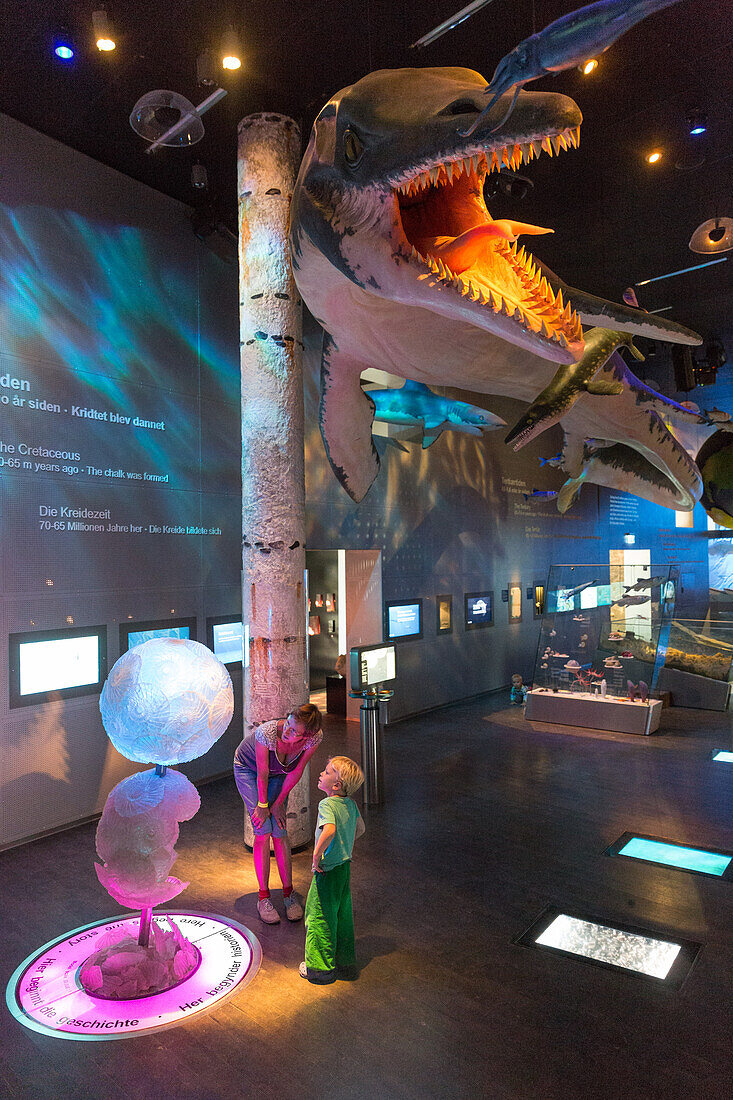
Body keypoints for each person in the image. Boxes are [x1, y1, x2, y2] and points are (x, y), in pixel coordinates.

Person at [234, 703, 323, 924]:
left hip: (279, 774)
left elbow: (297, 771)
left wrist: (279, 802)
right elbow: (262, 772)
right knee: (263, 830)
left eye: (295, 731)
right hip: (249, 770)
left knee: (280, 829)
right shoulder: (267, 733)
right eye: (289, 724)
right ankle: (263, 897)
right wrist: (263, 805)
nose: (287, 731)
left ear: (306, 736)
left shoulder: (314, 738)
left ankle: (288, 893)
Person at [299, 755, 365, 984]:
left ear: (336, 786)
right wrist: (345, 845)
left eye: (326, 772)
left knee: (318, 916)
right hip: (344, 867)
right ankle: (343, 960)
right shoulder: (351, 804)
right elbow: (360, 828)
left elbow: (328, 830)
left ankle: (319, 967)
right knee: (342, 913)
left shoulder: (327, 804)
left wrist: (317, 854)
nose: (321, 774)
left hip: (326, 870)